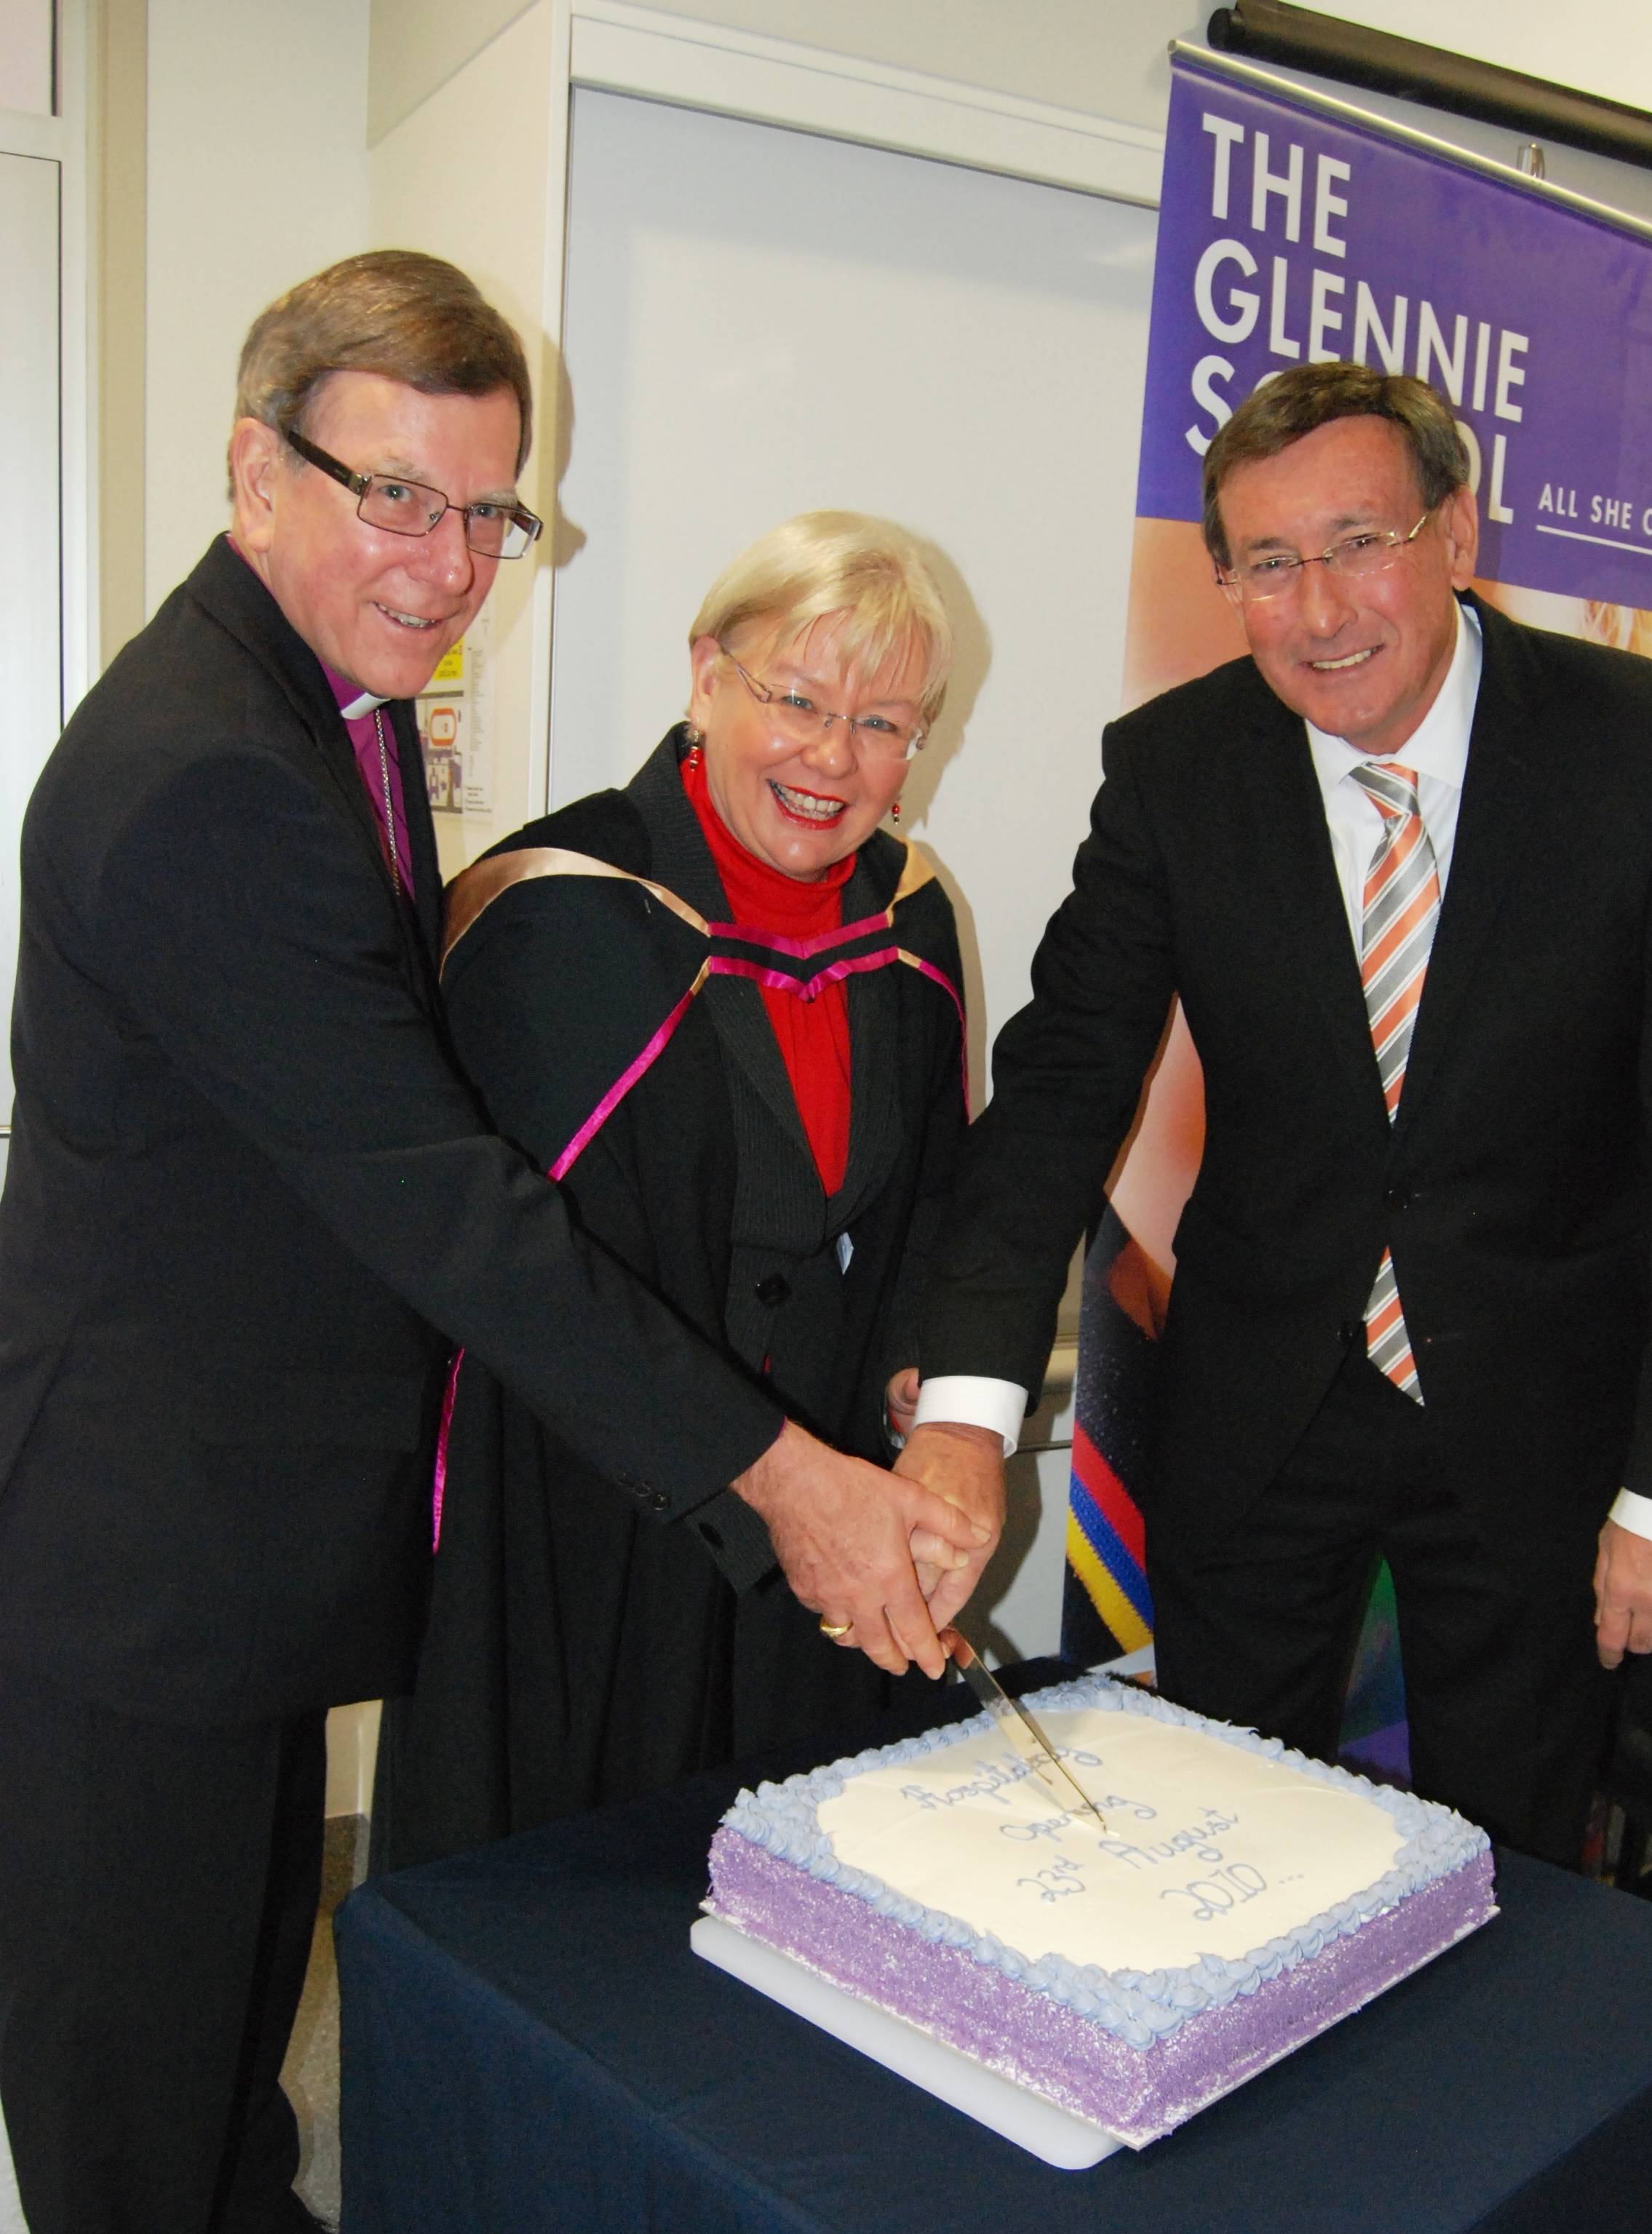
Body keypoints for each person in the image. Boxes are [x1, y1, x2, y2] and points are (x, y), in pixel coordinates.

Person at [0, 254, 984, 2234]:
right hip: (148, 1550)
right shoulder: (207, 768)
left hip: (233, 1532)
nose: (449, 564)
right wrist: (788, 1479)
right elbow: (447, 1201)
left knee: (221, 2060)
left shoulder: (318, 708)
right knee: (135, 2078)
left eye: (487, 511)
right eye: (396, 495)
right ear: (252, 468)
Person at [902, 360, 1652, 1869]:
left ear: (1453, 531)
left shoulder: (1646, 752)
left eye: (1360, 542)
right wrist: (967, 1410)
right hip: (1263, 1399)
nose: (1321, 610)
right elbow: (1064, 1075)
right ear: (1227, 580)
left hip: (1543, 1417)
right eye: (1270, 562)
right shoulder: (1179, 767)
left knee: (1503, 1859)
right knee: (1209, 1829)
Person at [373, 512, 969, 1867]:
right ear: (707, 674)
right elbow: (535, 1286)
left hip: (822, 1525)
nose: (834, 757)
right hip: (594, 1528)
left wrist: (917, 1372)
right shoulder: (553, 917)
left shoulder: (914, 920)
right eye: (797, 699)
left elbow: (936, 1192)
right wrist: (771, 1481)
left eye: (884, 723)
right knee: (585, 1914)